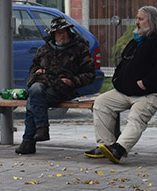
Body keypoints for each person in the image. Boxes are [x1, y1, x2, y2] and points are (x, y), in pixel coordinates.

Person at [84, 6, 157, 163]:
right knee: (101, 102)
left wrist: (146, 83)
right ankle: (105, 145)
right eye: (137, 18)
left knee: (137, 116)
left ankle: (119, 149)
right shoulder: (136, 41)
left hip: (151, 93)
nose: (137, 22)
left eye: (141, 19)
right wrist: (117, 80)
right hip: (126, 91)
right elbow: (123, 62)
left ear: (152, 21)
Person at [15, 16, 96, 155]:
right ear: (53, 34)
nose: (62, 35)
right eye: (59, 32)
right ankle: (41, 129)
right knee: (35, 89)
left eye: (64, 31)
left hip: (62, 88)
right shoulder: (44, 49)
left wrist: (73, 81)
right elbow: (33, 68)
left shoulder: (80, 49)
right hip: (43, 84)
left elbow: (90, 74)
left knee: (32, 101)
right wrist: (37, 71)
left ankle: (29, 141)